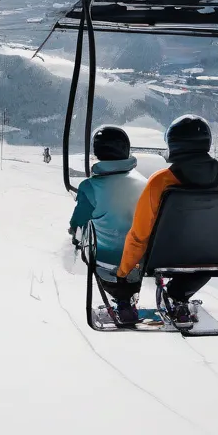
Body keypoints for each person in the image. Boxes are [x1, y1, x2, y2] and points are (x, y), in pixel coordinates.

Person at [117, 114, 218, 327]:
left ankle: (148, 297)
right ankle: (179, 295)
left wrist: (124, 272)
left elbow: (140, 234)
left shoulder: (161, 182)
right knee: (200, 261)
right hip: (212, 256)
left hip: (164, 256)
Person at [68, 125, 146, 323]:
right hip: (142, 260)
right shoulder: (145, 184)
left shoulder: (90, 187)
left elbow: (77, 224)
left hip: (106, 264)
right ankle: (126, 300)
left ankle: (121, 300)